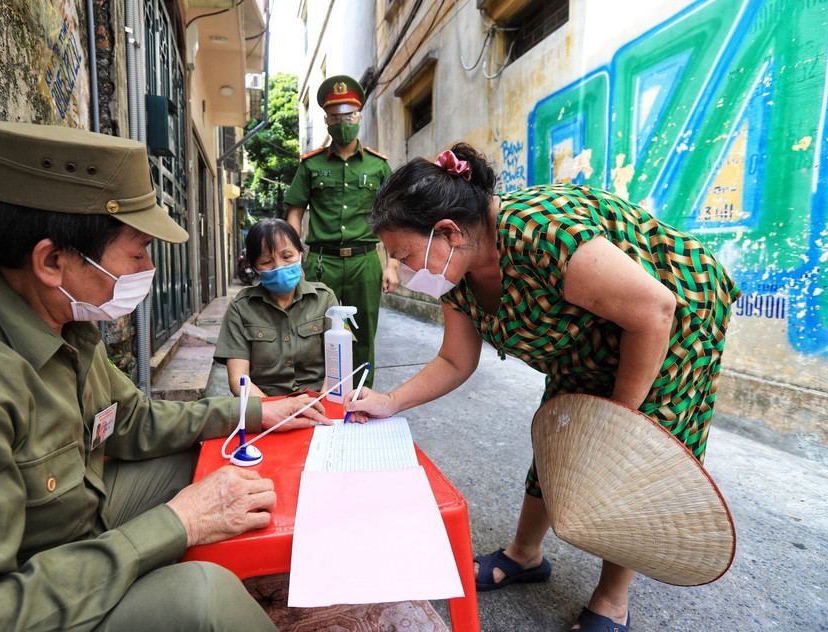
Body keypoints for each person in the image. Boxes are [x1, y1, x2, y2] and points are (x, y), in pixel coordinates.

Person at [0, 121, 331, 631]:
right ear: (53, 260)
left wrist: (254, 410)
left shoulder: (60, 310)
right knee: (201, 600)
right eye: (137, 252)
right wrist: (179, 522)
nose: (149, 266)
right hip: (12, 591)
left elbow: (132, 420)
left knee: (216, 457)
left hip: (72, 520)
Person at [344, 143, 741, 632]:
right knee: (562, 436)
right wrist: (389, 401)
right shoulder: (459, 270)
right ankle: (525, 554)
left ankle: (612, 601)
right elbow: (455, 358)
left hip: (671, 322)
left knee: (628, 457)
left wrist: (616, 426)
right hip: (589, 336)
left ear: (446, 232)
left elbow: (652, 311)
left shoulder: (542, 232)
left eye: (403, 254)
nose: (402, 271)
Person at [284, 74, 399, 389]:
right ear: (326, 120)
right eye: (335, 116)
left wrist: (392, 264)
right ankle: (321, 397)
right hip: (322, 262)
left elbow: (390, 218)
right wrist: (294, 258)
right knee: (316, 331)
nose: (342, 121)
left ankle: (362, 398)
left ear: (359, 116)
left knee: (363, 334)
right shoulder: (311, 165)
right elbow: (295, 210)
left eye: (348, 114)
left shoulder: (378, 167)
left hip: (365, 262)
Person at [214, 218, 338, 397]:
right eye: (266, 262)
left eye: (287, 257)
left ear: (301, 254)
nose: (279, 267)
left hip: (319, 402)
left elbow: (338, 366)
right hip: (267, 406)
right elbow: (238, 379)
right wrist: (273, 413)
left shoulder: (325, 299)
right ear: (255, 267)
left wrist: (324, 403)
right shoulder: (240, 308)